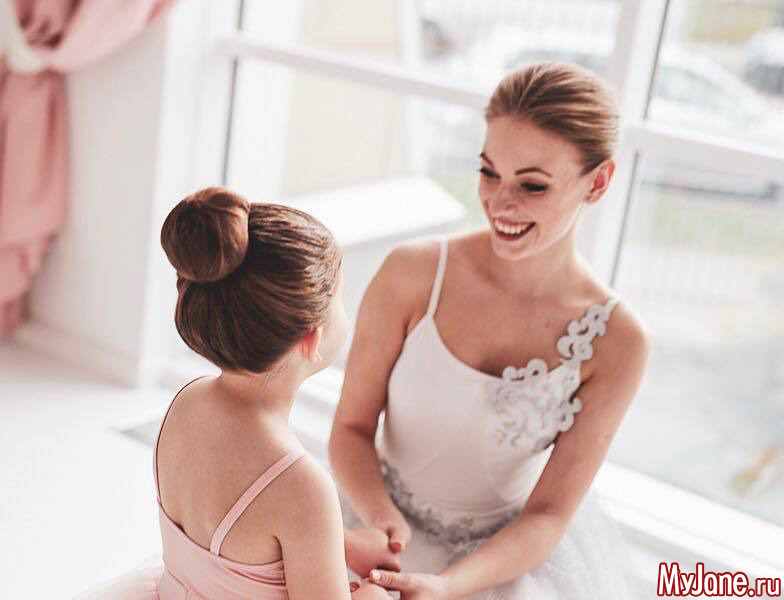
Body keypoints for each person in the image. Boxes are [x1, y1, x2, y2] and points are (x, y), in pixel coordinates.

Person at [329, 62, 650, 599]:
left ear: (597, 182)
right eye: (488, 172)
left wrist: (447, 586)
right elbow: (350, 429)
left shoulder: (619, 342)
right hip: (373, 521)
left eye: (533, 184)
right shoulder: (411, 274)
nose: (501, 203)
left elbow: (549, 514)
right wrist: (381, 519)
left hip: (500, 563)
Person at [76, 188, 392, 599]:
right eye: (341, 299)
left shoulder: (186, 402)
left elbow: (250, 531)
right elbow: (282, 513)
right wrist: (373, 595)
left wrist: (343, 544)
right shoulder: (300, 484)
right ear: (312, 338)